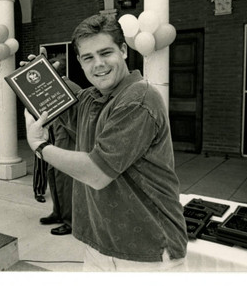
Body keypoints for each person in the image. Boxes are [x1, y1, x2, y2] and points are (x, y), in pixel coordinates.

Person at [24, 14, 188, 271]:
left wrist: (40, 147)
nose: (98, 64)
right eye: (88, 57)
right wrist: (39, 77)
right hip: (101, 245)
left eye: (105, 53)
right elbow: (70, 104)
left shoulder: (137, 100)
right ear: (79, 61)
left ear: (123, 50)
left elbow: (96, 172)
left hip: (147, 251)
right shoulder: (94, 97)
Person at [39, 57, 81, 236]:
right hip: (56, 133)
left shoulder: (70, 87)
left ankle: (70, 221)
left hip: (68, 137)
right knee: (53, 175)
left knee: (64, 180)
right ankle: (57, 212)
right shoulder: (56, 87)